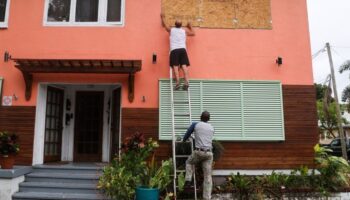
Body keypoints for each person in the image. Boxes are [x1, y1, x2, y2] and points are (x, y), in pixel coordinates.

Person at [182, 111, 214, 200]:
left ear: (200, 117)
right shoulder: (211, 127)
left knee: (189, 162)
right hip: (209, 154)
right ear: (209, 119)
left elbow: (188, 134)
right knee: (208, 177)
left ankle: (188, 180)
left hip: (199, 152)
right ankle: (207, 198)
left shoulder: (196, 124)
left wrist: (184, 140)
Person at [161, 13, 195, 90]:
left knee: (175, 67)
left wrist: (162, 17)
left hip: (174, 50)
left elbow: (165, 25)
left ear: (175, 24)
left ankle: (177, 83)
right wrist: (190, 26)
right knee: (184, 66)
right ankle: (186, 82)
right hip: (183, 50)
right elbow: (193, 33)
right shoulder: (184, 30)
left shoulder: (171, 30)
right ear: (181, 25)